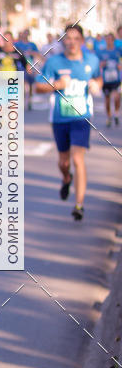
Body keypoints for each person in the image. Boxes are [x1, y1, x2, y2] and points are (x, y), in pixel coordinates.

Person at [35, 24, 101, 221]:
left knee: (77, 159)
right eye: (67, 38)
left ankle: (79, 204)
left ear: (82, 40)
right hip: (59, 118)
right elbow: (38, 87)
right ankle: (66, 177)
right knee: (64, 162)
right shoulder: (54, 62)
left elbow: (98, 79)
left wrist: (96, 85)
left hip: (81, 117)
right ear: (63, 40)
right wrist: (56, 85)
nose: (71, 42)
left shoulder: (92, 60)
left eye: (75, 38)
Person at [97, 31, 122, 126]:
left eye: (110, 39)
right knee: (107, 99)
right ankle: (109, 117)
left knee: (116, 97)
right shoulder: (102, 52)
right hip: (106, 79)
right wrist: (102, 64)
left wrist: (120, 65)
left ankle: (116, 113)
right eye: (107, 39)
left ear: (113, 40)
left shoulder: (118, 50)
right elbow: (98, 64)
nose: (109, 41)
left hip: (115, 79)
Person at [13, 28, 40, 109]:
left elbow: (37, 54)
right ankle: (23, 99)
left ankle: (30, 100)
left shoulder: (32, 44)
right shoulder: (17, 44)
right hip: (21, 65)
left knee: (31, 84)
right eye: (24, 33)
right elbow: (13, 53)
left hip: (31, 65)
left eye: (27, 34)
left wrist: (31, 53)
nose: (25, 35)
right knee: (23, 83)